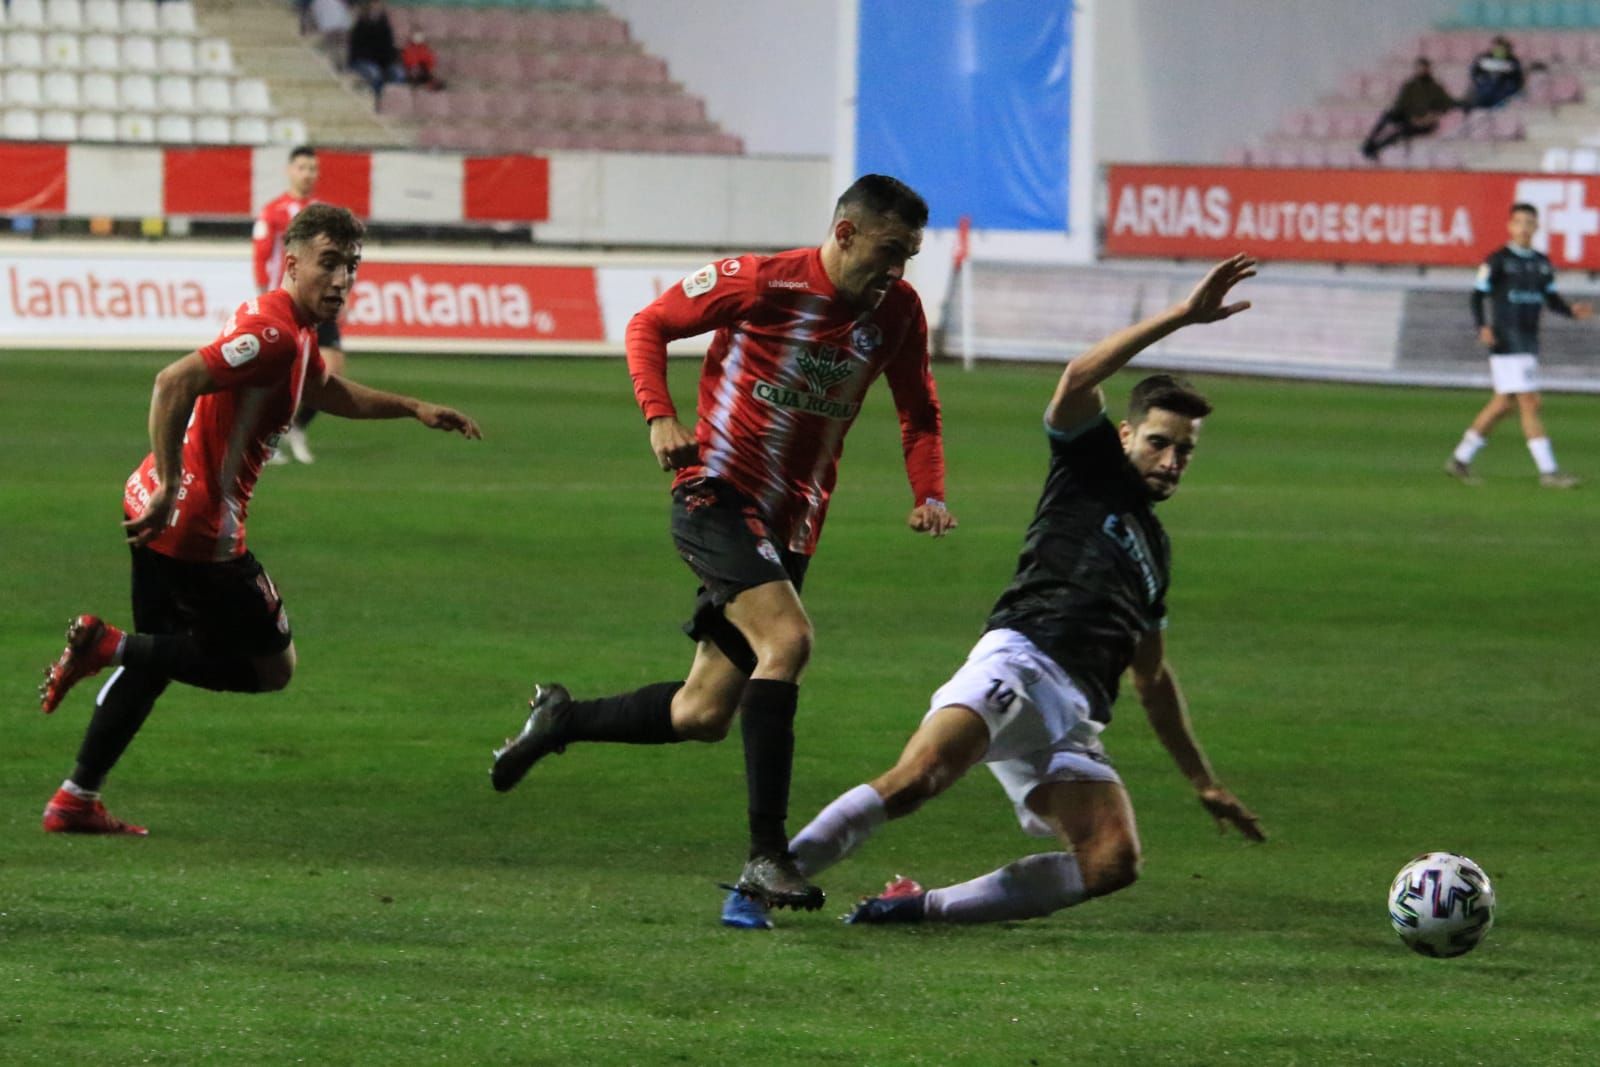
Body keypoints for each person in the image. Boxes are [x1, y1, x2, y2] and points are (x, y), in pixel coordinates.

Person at [721, 255, 1266, 931]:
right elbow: (1076, 378)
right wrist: (1183, 316)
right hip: (1022, 660)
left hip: (1073, 717)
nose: (1171, 460)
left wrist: (1203, 780)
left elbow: (1153, 678)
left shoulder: (1154, 550)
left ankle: (911, 909)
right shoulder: (1089, 467)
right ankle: (754, 885)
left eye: (1184, 451)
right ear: (1126, 435)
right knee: (918, 778)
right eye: (1158, 442)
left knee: (1111, 860)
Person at [487, 175, 957, 911]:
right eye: (890, 250)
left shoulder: (896, 312)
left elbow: (918, 409)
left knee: (701, 712)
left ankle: (561, 718)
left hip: (792, 522)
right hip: (716, 493)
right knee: (790, 641)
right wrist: (658, 415)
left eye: (910, 255)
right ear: (844, 235)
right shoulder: (759, 281)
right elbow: (648, 325)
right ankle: (766, 857)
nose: (898, 269)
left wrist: (928, 491)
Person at [36, 204, 482, 836]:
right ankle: (106, 646)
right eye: (328, 264)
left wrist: (412, 407)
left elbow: (323, 390)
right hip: (197, 530)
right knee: (270, 668)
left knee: (161, 658)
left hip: (153, 510)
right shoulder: (275, 333)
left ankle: (75, 797)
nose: (341, 280)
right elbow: (172, 383)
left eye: (351, 267)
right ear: (292, 261)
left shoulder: (287, 328)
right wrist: (170, 483)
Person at [1447, 203, 1589, 489]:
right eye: (1519, 222)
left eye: (1529, 223)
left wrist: (1571, 311)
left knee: (1502, 404)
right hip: (1507, 339)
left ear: (1536, 228)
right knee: (1530, 402)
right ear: (1510, 226)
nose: (1524, 227)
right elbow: (1477, 295)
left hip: (1528, 340)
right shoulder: (1498, 260)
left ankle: (1460, 459)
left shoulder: (1541, 263)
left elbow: (1550, 299)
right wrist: (1483, 326)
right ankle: (1549, 472)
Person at [253, 145, 340, 465]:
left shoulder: (325, 213)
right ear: (290, 171)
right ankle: (264, 439)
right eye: (302, 168)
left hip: (320, 301)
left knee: (332, 371)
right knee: (281, 374)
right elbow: (261, 255)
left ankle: (298, 428)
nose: (308, 174)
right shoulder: (273, 211)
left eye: (313, 169)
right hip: (287, 302)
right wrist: (264, 296)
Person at [1361, 58, 1458, 161]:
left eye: (1424, 68)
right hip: (1409, 118)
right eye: (1419, 68)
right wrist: (1410, 117)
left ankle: (1376, 148)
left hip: (1426, 123)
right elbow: (1399, 104)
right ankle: (1370, 141)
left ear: (1429, 69)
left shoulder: (1436, 87)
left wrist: (1428, 118)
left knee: (1402, 131)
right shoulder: (1409, 86)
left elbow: (1445, 106)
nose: (1421, 70)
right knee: (1388, 115)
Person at [348, 0, 405, 105]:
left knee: (399, 73)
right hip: (362, 61)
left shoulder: (385, 26)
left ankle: (393, 103)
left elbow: (388, 48)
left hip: (382, 62)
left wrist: (391, 61)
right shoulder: (361, 25)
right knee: (375, 74)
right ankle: (378, 102)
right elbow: (358, 51)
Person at [1463, 36, 1524, 111]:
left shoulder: (1513, 61)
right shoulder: (1483, 58)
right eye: (1495, 47)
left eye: (1501, 48)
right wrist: (1480, 82)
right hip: (1483, 91)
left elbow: (1518, 80)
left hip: (1504, 93)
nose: (1497, 50)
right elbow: (1474, 73)